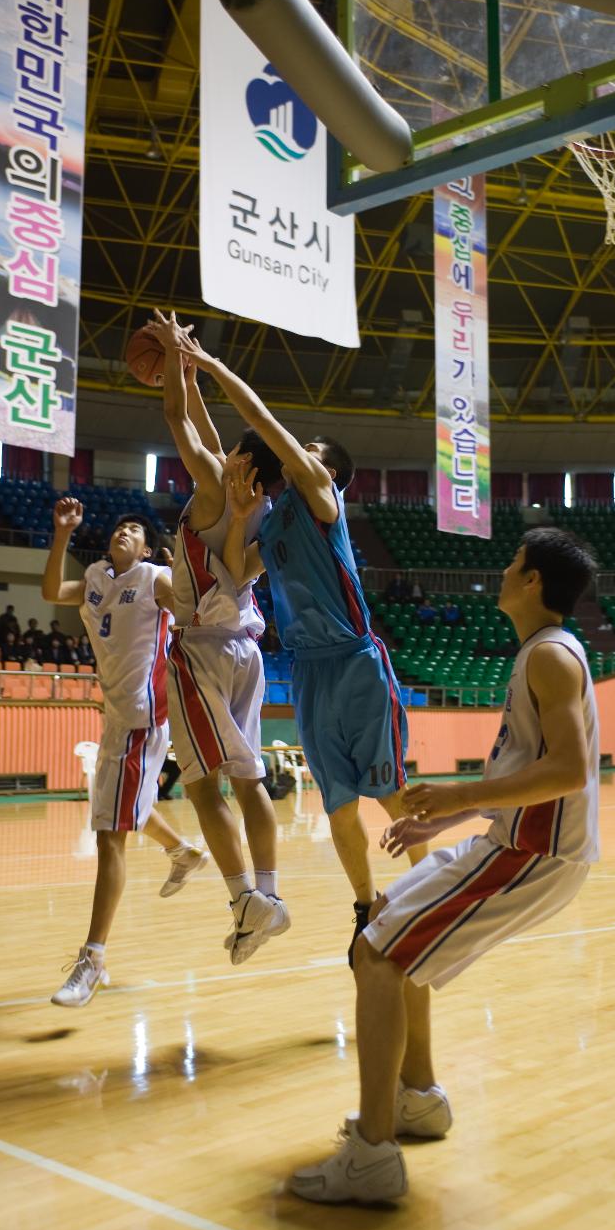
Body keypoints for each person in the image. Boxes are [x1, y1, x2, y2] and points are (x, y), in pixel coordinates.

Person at [289, 528, 600, 1203]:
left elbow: (569, 771)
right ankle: (417, 1098)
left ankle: (372, 1155)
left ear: (533, 582)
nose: (502, 569)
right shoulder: (539, 654)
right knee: (387, 931)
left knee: (377, 954)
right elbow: (525, 772)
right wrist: (450, 818)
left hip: (533, 856)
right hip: (511, 842)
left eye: (512, 563)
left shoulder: (548, 658)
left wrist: (462, 795)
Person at [163, 317, 422, 959]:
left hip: (356, 660)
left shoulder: (324, 500)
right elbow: (236, 574)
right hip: (306, 668)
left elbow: (262, 423)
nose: (301, 455)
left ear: (331, 471)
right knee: (338, 806)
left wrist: (208, 367)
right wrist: (243, 515)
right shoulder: (274, 520)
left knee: (388, 790)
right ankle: (366, 906)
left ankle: (433, 889)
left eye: (313, 452)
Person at [146, 310, 289, 965]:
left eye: (235, 450)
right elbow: (199, 424)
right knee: (248, 781)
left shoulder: (213, 490)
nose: (223, 448)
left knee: (202, 786)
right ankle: (268, 894)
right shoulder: (263, 510)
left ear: (245, 469)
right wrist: (187, 358)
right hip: (245, 652)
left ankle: (243, 901)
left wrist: (175, 362)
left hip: (201, 655)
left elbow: (179, 421)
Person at [42, 500, 209, 1007]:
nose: (125, 531)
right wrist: (61, 534)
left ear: (145, 547)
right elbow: (52, 591)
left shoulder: (155, 578)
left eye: (135, 528)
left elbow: (190, 603)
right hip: (117, 717)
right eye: (119, 526)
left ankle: (92, 959)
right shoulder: (94, 578)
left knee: (109, 837)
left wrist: (181, 561)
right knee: (120, 811)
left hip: (142, 717)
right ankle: (183, 851)